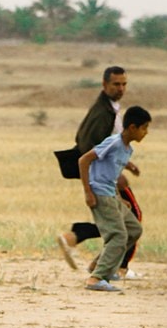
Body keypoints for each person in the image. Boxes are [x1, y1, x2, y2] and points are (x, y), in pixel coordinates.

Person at [56, 66, 143, 276]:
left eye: (124, 84)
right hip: (104, 178)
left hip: (105, 175)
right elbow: (88, 147)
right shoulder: (102, 113)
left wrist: (127, 164)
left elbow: (108, 144)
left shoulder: (110, 108)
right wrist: (116, 174)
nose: (121, 88)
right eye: (116, 84)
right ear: (104, 85)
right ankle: (118, 267)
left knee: (115, 218)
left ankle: (78, 238)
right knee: (132, 218)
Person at [78, 105, 152, 292]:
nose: (146, 132)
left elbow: (111, 175)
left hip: (111, 194)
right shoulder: (114, 142)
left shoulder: (127, 150)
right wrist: (88, 191)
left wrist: (120, 197)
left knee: (134, 229)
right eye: (144, 128)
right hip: (100, 193)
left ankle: (101, 266)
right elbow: (84, 160)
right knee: (118, 235)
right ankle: (95, 279)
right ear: (133, 128)